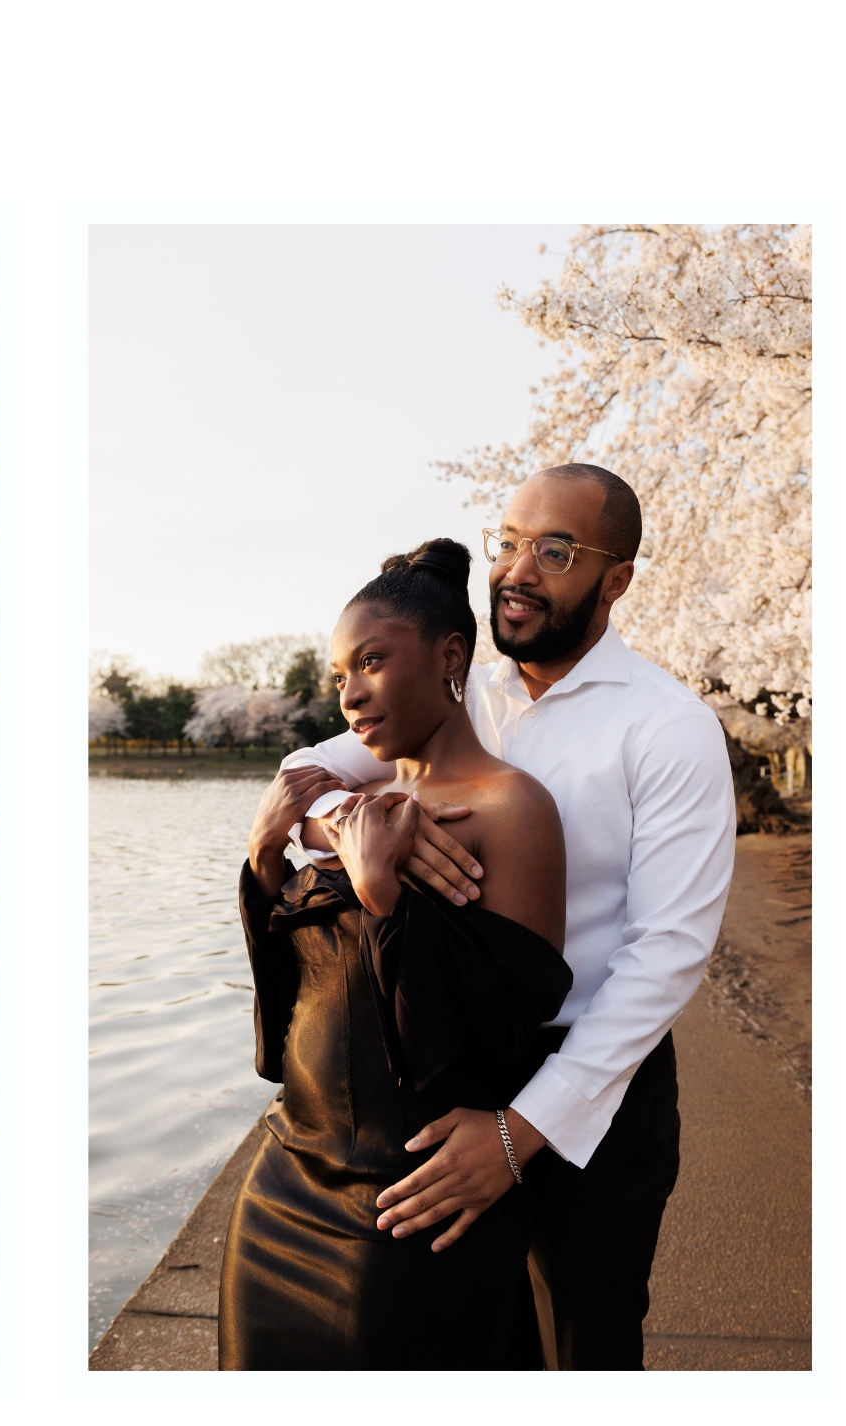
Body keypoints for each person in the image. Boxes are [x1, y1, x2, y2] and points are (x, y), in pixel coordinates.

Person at [286, 464, 737, 1369]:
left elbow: (667, 957)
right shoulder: (460, 694)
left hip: (595, 1093)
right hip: (453, 1066)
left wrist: (521, 1131)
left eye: (555, 551)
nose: (517, 570)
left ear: (617, 579)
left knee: (585, 1353)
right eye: (508, 542)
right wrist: (362, 829)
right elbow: (300, 778)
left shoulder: (667, 727)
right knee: (462, 1351)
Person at [222, 539, 574, 1369]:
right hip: (284, 1185)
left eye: (372, 663)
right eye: (338, 674)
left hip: (406, 1202)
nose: (349, 695)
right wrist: (268, 859)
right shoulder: (363, 805)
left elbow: (487, 1047)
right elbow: (292, 1003)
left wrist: (383, 902)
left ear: (452, 657)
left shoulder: (511, 809)